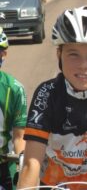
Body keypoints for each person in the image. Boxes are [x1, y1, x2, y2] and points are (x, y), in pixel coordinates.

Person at [17, 6, 87, 189]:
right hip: (55, 183)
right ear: (59, 55)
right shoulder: (46, 93)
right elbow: (32, 163)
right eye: (73, 54)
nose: (83, 65)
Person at [0, 28, 27, 190]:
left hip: (4, 165)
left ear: (3, 55)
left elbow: (19, 137)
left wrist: (22, 164)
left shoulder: (14, 89)